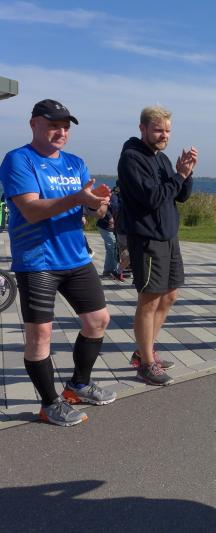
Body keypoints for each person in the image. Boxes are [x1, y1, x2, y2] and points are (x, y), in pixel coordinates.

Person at [0, 98, 116, 426]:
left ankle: (78, 385)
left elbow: (94, 211)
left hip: (75, 257)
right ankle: (50, 403)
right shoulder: (18, 159)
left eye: (65, 127)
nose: (61, 132)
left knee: (98, 320)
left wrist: (97, 204)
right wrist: (78, 198)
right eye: (53, 125)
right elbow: (31, 209)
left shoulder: (76, 163)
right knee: (40, 335)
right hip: (37, 260)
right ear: (34, 124)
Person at [117, 105, 198, 386]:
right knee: (149, 299)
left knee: (170, 295)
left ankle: (145, 351)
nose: (164, 135)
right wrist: (179, 176)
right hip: (147, 238)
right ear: (143, 129)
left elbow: (179, 196)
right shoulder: (132, 158)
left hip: (168, 237)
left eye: (167, 131)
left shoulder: (161, 159)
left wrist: (186, 173)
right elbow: (152, 198)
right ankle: (146, 364)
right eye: (158, 130)